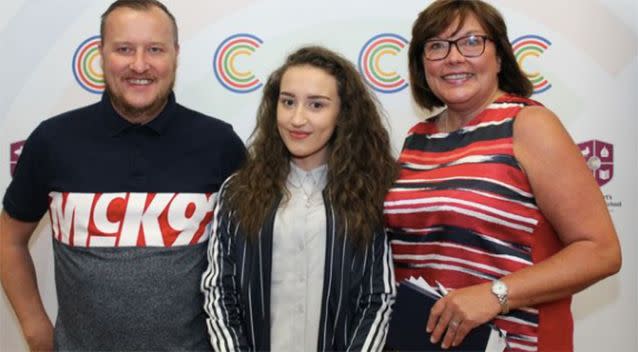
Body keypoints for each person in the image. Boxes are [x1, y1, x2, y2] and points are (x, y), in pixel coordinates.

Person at [0, 0, 245, 350]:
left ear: (175, 54)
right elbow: (9, 239)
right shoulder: (54, 140)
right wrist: (35, 327)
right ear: (101, 54)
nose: (140, 65)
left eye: (155, 49)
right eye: (124, 49)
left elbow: (252, 257)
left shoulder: (219, 143)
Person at [384, 0, 621, 351]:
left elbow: (601, 251)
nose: (453, 57)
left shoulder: (529, 125)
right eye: (436, 46)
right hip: (425, 341)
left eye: (471, 42)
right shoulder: (418, 137)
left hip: (514, 343)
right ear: (422, 63)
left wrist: (496, 295)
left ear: (499, 57)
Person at [201, 46, 397, 351]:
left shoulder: (370, 191)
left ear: (343, 113)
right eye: (288, 102)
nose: (297, 118)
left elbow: (378, 298)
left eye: (316, 105)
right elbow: (219, 290)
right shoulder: (238, 191)